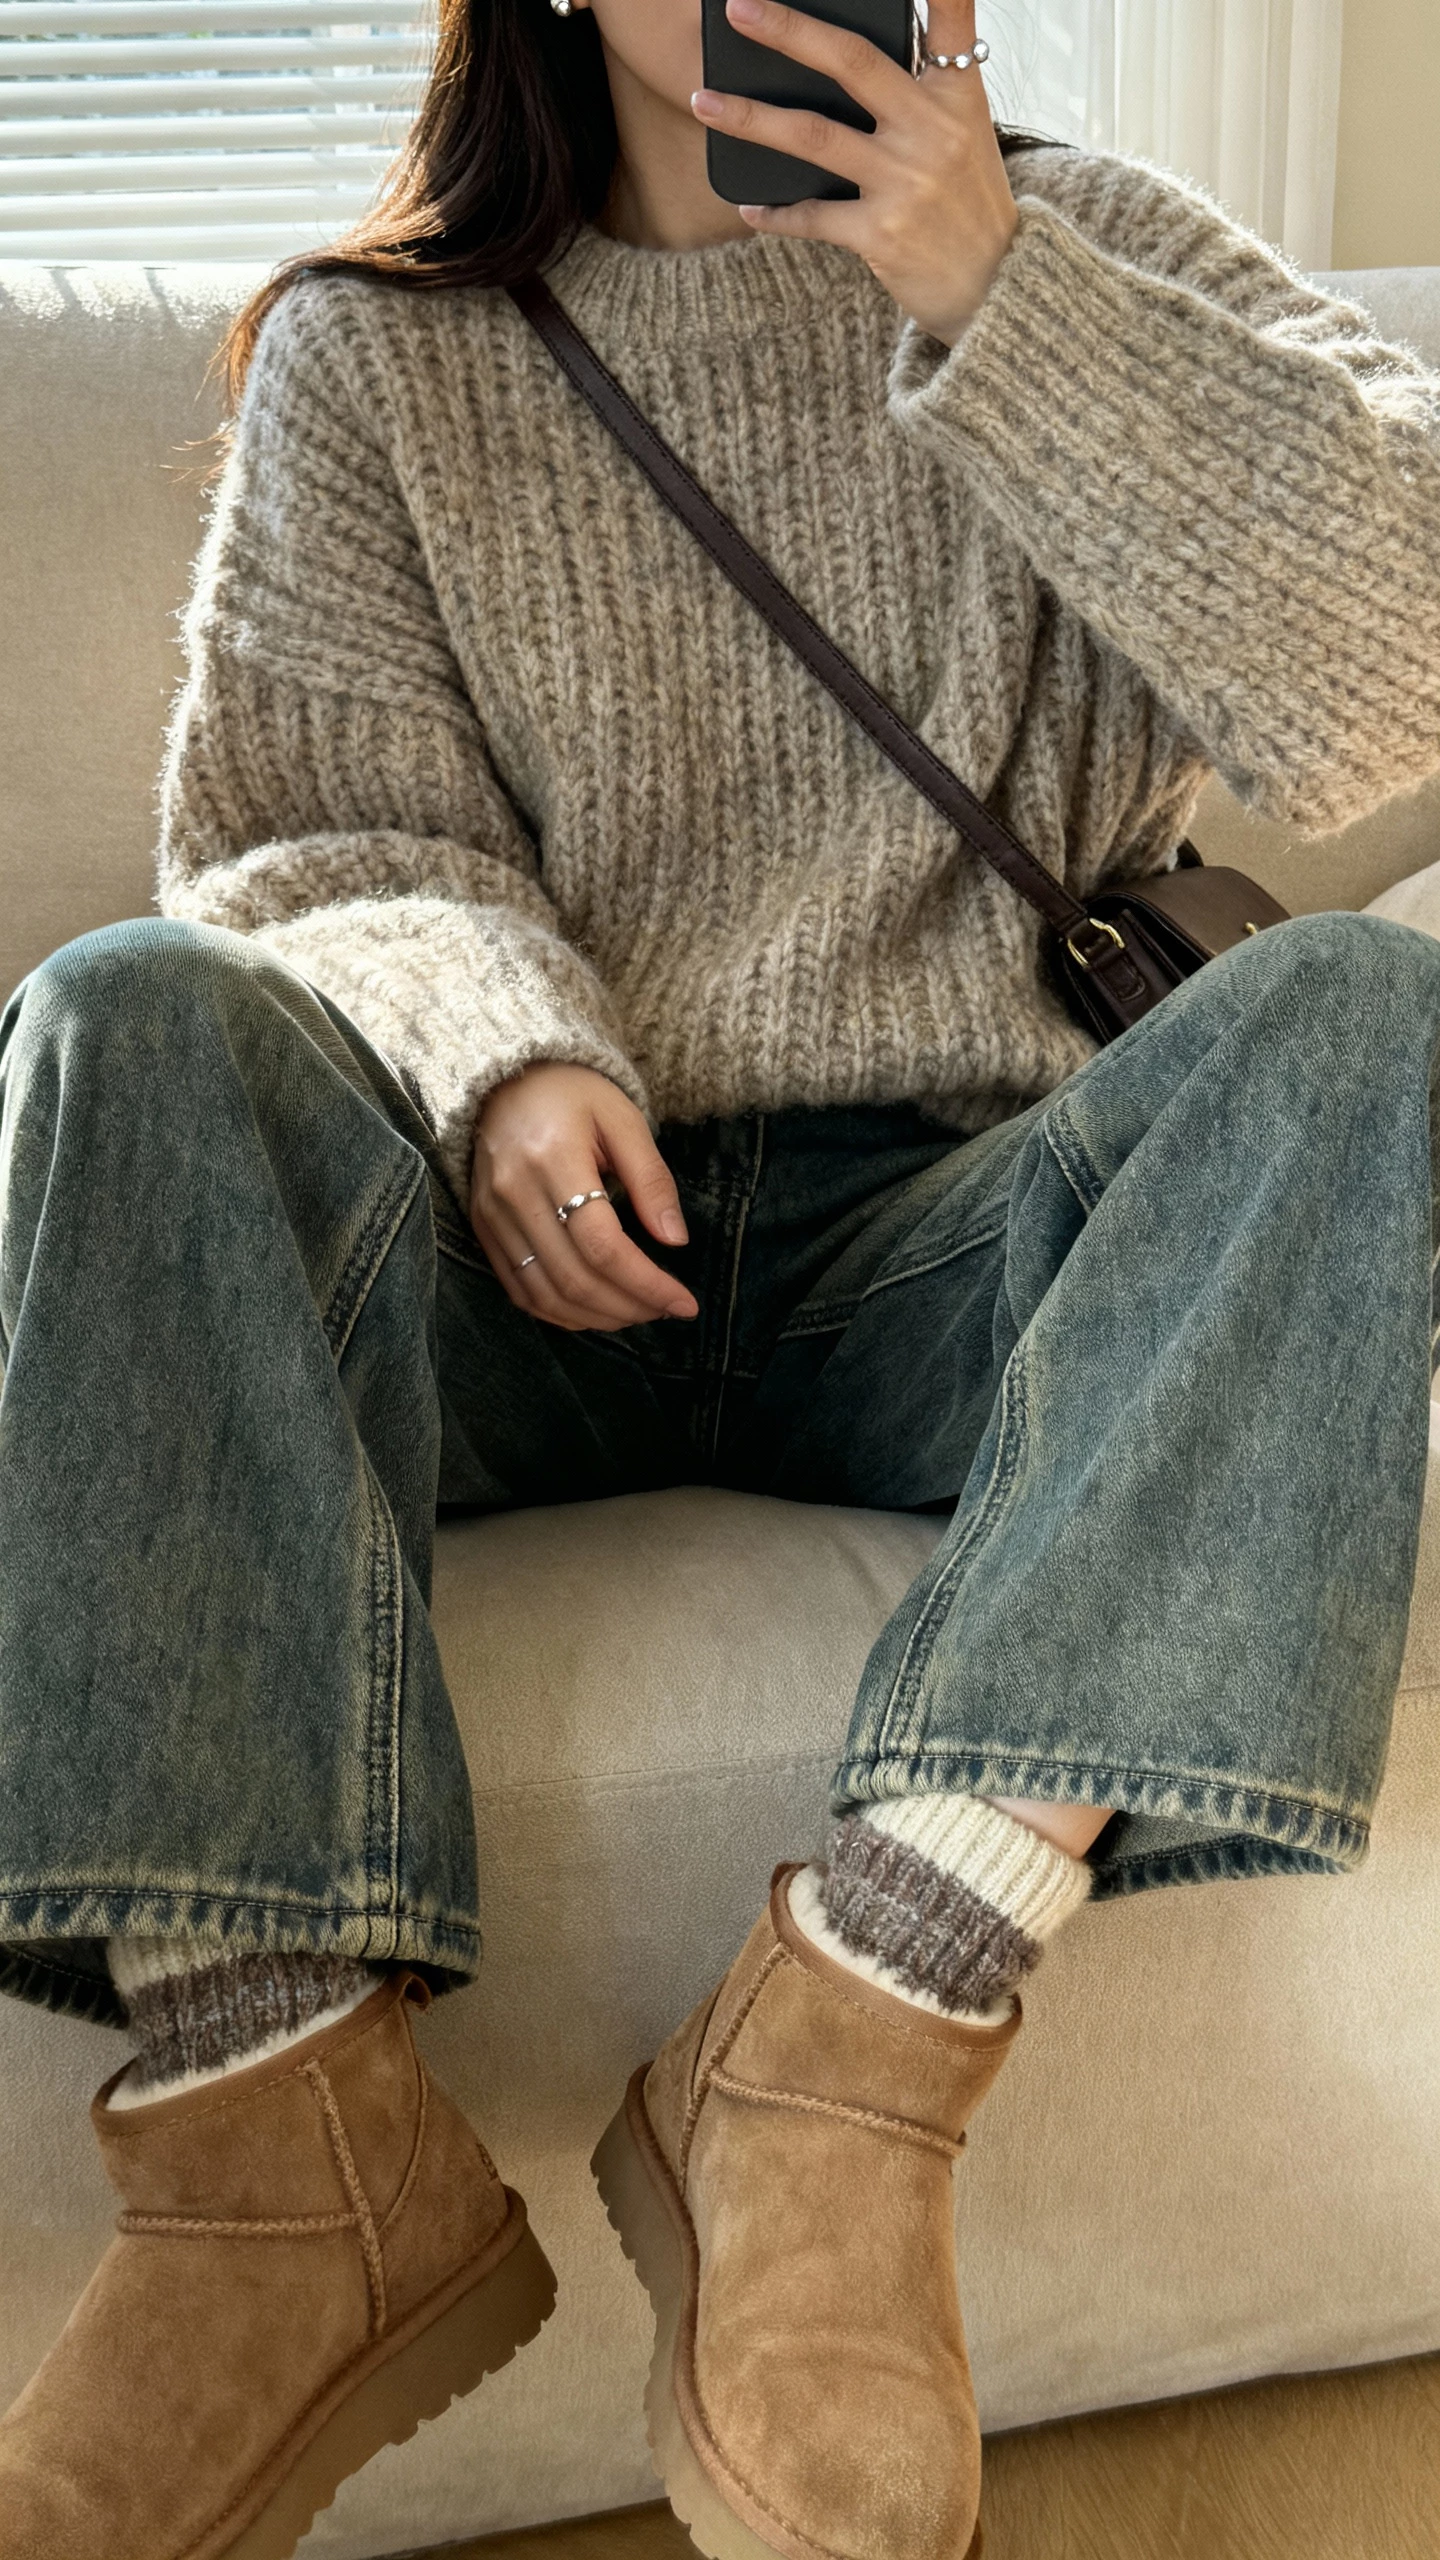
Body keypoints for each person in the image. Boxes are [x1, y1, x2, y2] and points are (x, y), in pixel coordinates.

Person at [2, 0, 1439, 2554]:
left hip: (950, 1239)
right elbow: (293, 836)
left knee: (1376, 1014)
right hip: (517, 1239)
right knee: (115, 1015)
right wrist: (503, 1052)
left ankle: (853, 2035)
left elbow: (1393, 674)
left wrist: (1001, 294)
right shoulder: (384, 355)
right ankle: (270, 2147)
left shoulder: (1080, 247)